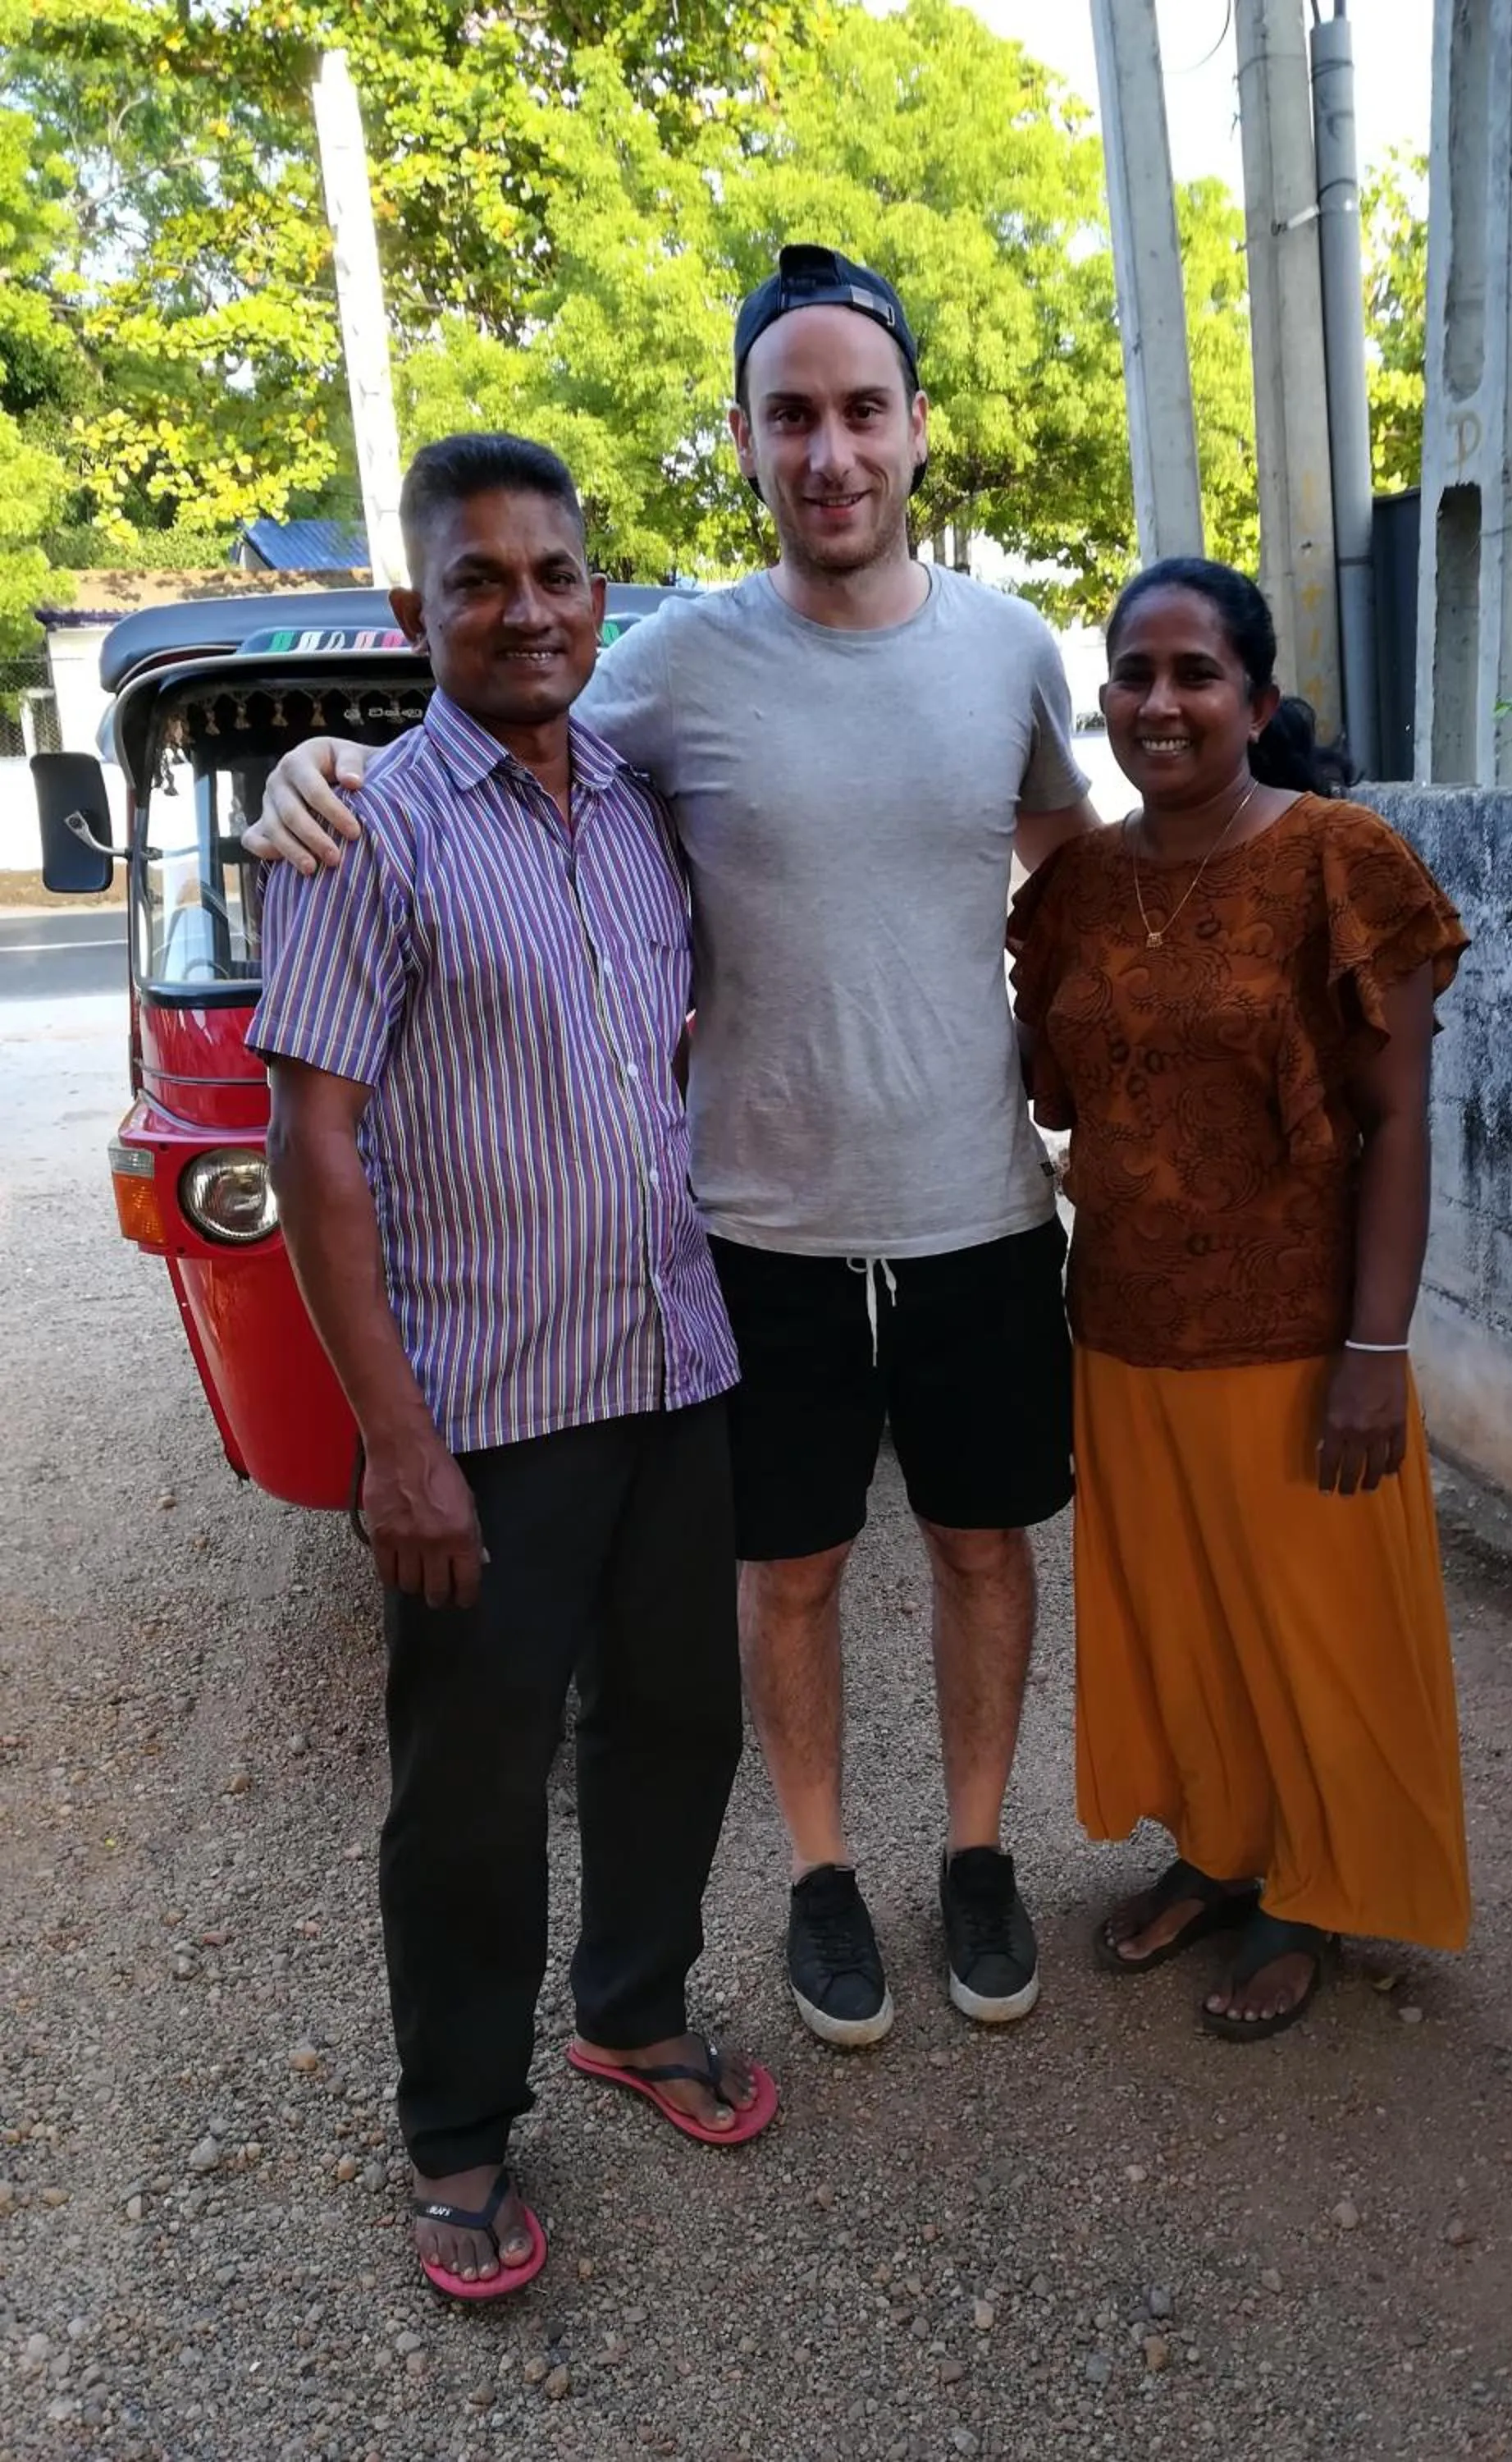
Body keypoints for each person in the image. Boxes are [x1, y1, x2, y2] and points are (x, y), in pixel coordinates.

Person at [244, 247, 1099, 2049]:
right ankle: (816, 1879)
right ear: (746, 439)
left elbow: (1068, 873)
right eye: (791, 415)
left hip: (980, 1210)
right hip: (759, 1229)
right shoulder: (679, 660)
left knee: (982, 1550)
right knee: (783, 1574)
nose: (830, 450)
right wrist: (303, 764)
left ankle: (972, 1856)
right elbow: (482, 740)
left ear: (917, 430)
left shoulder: (1016, 653)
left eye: (862, 410)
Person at [249, 433, 775, 2304]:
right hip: (488, 1409)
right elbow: (314, 1147)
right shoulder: (364, 829)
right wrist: (393, 1443)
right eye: (478, 581)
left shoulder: (639, 798)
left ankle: (633, 2012)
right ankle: (459, 2133)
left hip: (669, 1361)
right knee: (470, 1788)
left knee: (680, 1725)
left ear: (599, 591)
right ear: (416, 613)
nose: (524, 608)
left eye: (553, 572)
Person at [1007, 557, 1473, 2041]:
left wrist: (1374, 1349)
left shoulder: (1342, 859)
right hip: (1127, 1333)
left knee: (1312, 1628)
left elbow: (1398, 1119)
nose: (1159, 701)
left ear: (1255, 702)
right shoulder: (1075, 886)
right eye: (1132, 675)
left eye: (1194, 673)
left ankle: (1316, 1887)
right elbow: (1060, 1091)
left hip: (1295, 1342)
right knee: (1187, 1622)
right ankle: (1220, 1849)